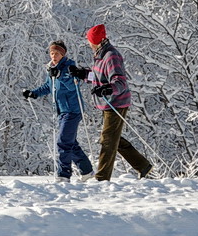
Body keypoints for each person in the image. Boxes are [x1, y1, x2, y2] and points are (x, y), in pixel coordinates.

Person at [68, 24, 153, 181]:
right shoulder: (101, 54)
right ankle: (142, 165)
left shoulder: (111, 56)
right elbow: (100, 76)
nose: (89, 44)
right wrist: (83, 74)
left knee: (107, 140)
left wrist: (108, 89)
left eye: (89, 40)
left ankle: (102, 178)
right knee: (112, 138)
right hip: (108, 102)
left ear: (96, 41)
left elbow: (119, 81)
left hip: (116, 102)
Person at [22, 40, 95, 182]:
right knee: (70, 142)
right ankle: (87, 171)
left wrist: (59, 75)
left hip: (73, 110)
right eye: (51, 53)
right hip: (61, 110)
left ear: (62, 54)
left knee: (63, 142)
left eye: (56, 53)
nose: (53, 56)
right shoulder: (51, 69)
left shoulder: (69, 67)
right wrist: (34, 93)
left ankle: (63, 175)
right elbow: (48, 86)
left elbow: (72, 86)